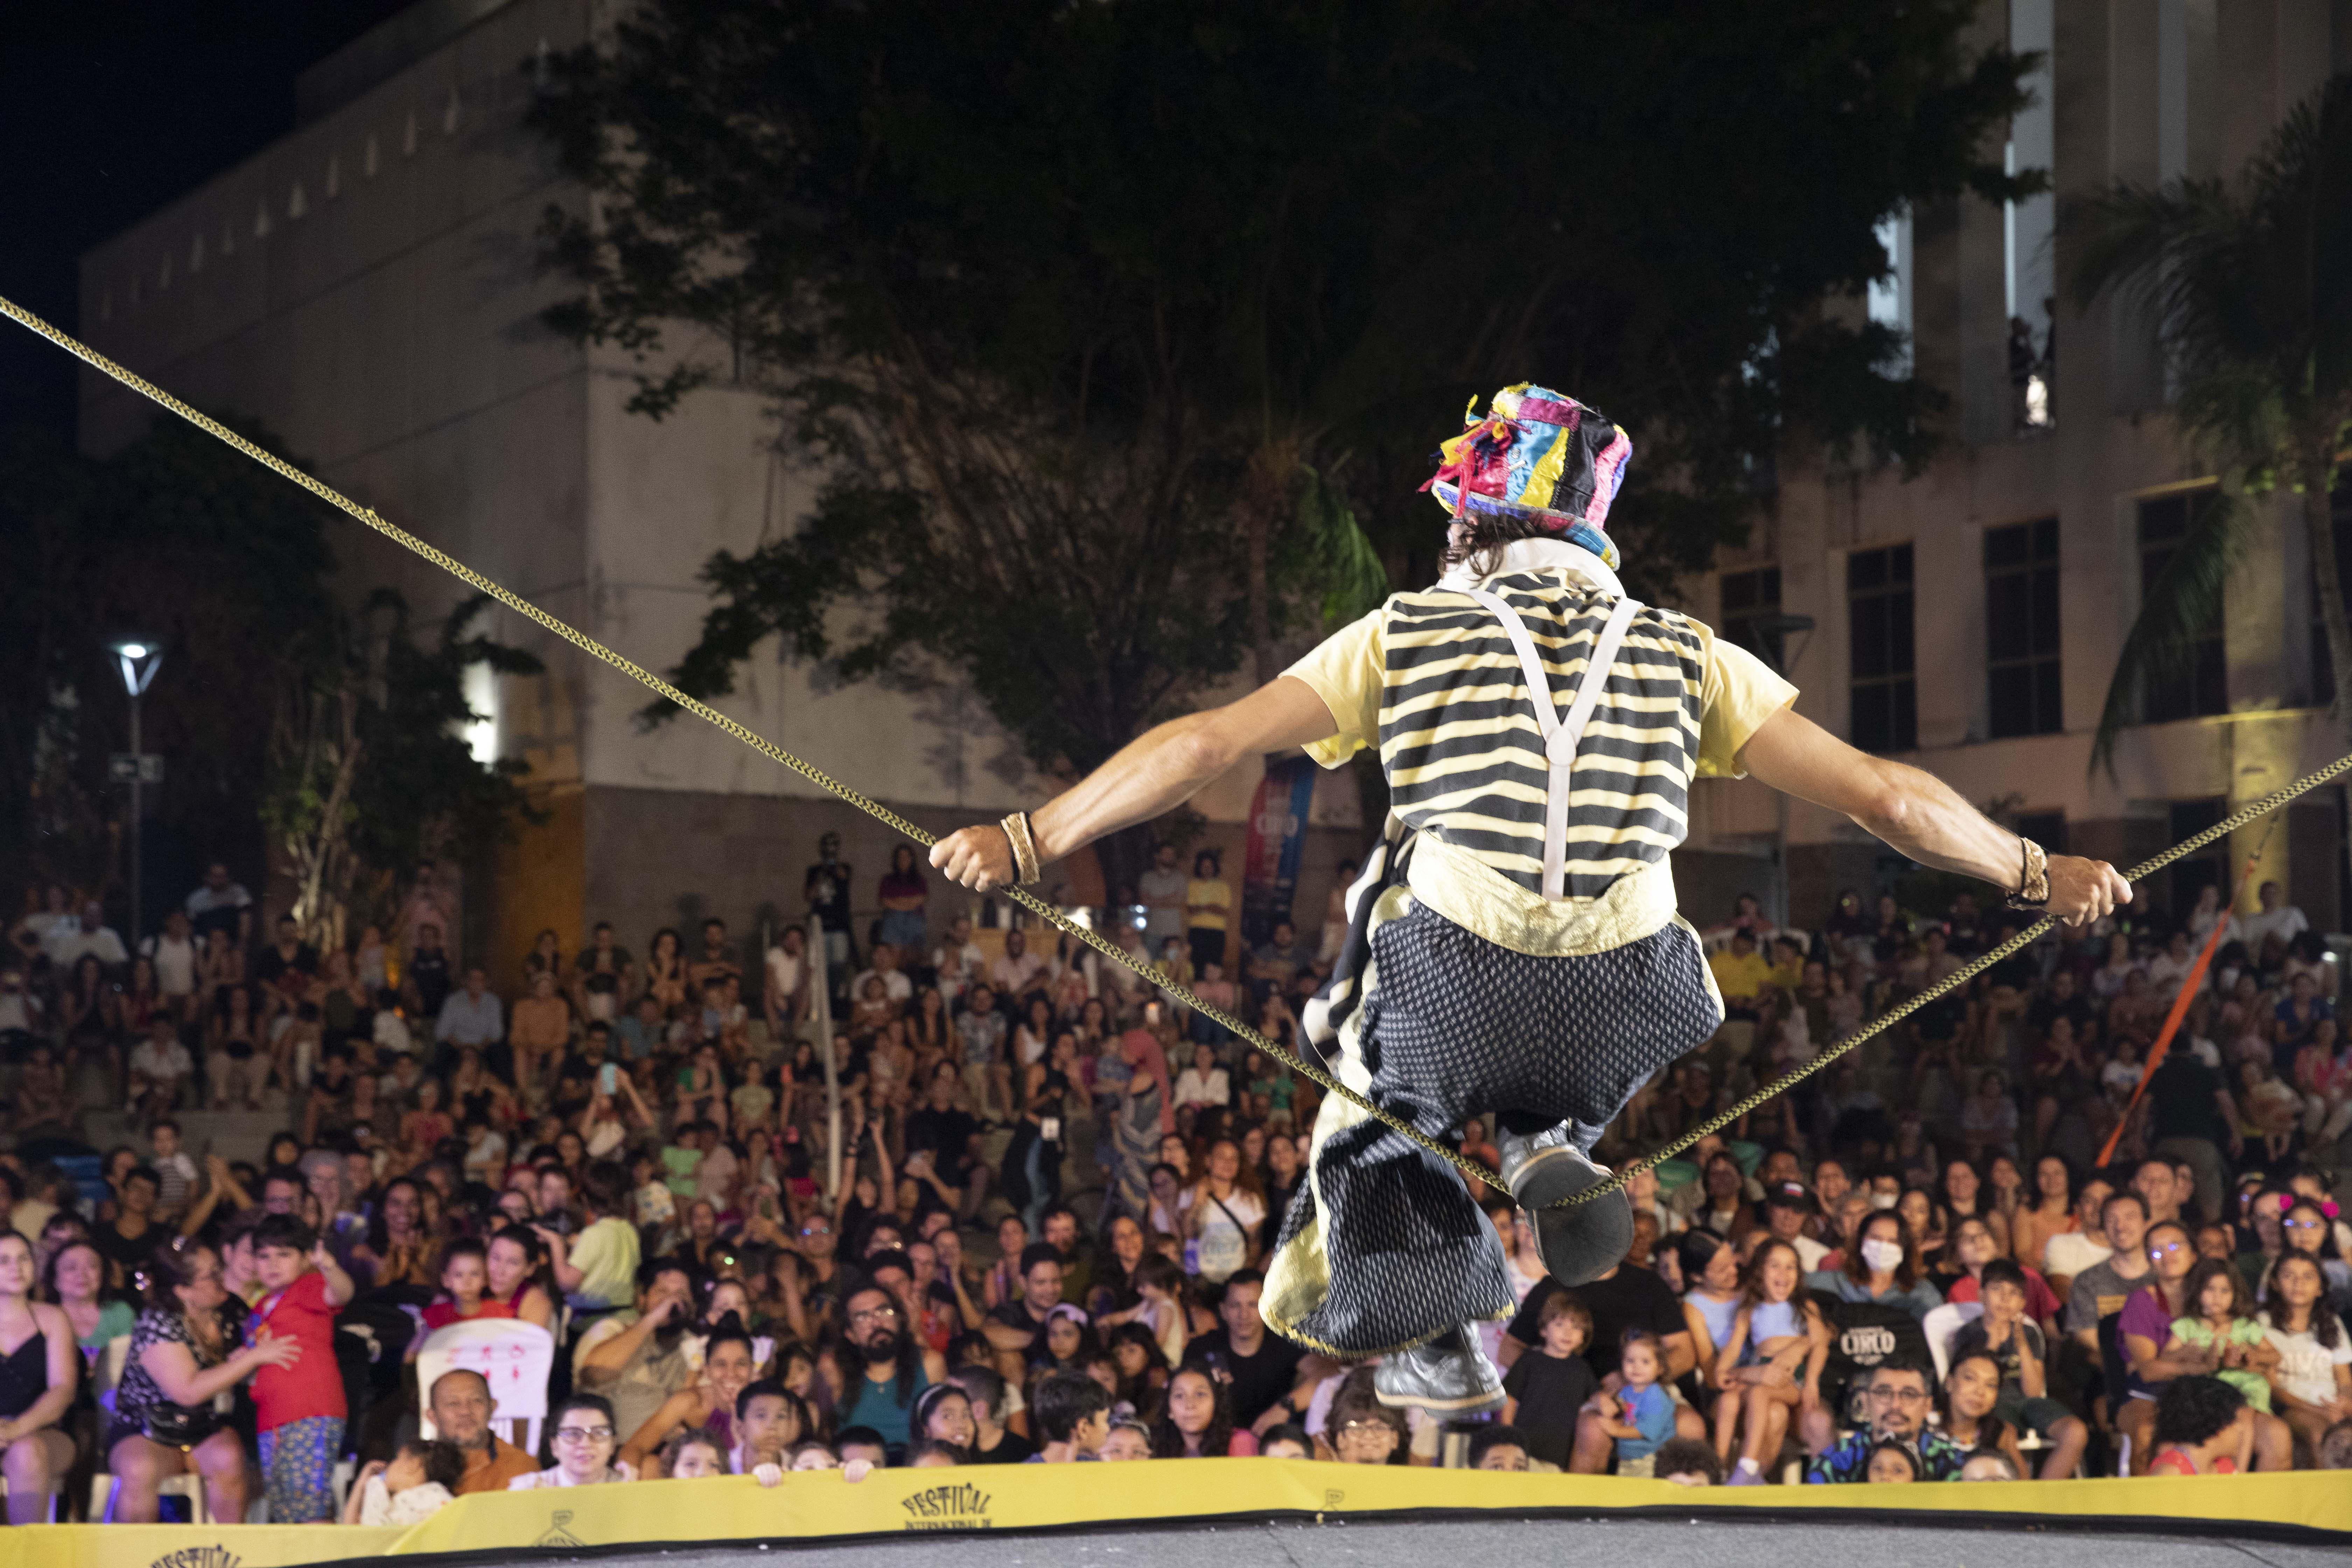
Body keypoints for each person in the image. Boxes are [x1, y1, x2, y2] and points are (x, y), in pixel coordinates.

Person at [926, 382, 2131, 1410]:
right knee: (1589, 1009)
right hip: (1638, 991)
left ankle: (1437, 1335)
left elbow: (1205, 744)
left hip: (1458, 977)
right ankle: (1555, 1136)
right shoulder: (1689, 650)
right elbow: (1883, 797)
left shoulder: (1408, 631)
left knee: (1373, 1090)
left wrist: (1033, 836)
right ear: (1593, 531)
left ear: (1471, 524)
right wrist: (2036, 870)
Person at [109, 1241, 302, 1522]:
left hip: (204, 1425)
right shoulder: (159, 1322)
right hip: (147, 1428)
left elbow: (247, 1360)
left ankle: (228, 1556)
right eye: (211, 1275)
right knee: (139, 1468)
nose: (221, 1278)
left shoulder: (231, 1311)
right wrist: (250, 1359)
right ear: (183, 1291)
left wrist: (251, 1355)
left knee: (230, 1455)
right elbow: (188, 1391)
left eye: (218, 1270)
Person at [246, 1214, 356, 1522]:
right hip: (274, 1419)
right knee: (286, 1511)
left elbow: (342, 1293)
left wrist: (329, 1266)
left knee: (308, 1507)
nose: (272, 1264)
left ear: (306, 1258)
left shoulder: (309, 1286)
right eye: (264, 1256)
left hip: (309, 1412)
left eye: (284, 1254)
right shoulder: (261, 1306)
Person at [0, 1233, 77, 1524]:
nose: (15, 1268)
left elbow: (63, 1390)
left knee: (28, 1452)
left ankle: (27, 1558)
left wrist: (16, 1428)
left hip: (43, 1432)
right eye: (3, 1261)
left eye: (23, 1259)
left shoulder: (53, 1318)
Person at [1803, 1354, 1964, 1483]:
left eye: (1909, 1395)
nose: (1895, 1405)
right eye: (1883, 1393)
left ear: (1927, 1406)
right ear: (1865, 1403)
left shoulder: (1953, 1462)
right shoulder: (1833, 1463)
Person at [1499, 1289, 1596, 1469]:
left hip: (1560, 1454)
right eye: (1560, 1325)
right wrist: (1508, 1434)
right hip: (1523, 1449)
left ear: (1584, 1336)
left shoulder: (1582, 1369)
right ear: (1544, 1330)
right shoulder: (1530, 1360)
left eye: (1576, 1327)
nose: (1568, 1333)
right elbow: (1509, 1398)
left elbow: (1596, 1399)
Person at [428, 1368, 542, 1494]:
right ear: (433, 1417)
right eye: (453, 1404)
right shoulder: (417, 1467)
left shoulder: (520, 1468)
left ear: (492, 1408)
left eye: (476, 1401)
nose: (465, 1411)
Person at [511, 1393, 636, 1488]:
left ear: (612, 1445)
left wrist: (629, 1495)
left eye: (599, 1433)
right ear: (554, 1446)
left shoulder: (627, 1487)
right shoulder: (529, 1488)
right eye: (573, 1434)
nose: (586, 1444)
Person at [2146, 1375, 2252, 1476]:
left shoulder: (2225, 1467)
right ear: (2217, 1425)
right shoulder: (2171, 1471)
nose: (2241, 1429)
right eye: (2236, 1422)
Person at [343, 1438, 463, 1525]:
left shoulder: (416, 1502)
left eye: (396, 1459)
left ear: (413, 1464)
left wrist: (371, 1486)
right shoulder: (443, 1501)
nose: (388, 1468)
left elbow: (353, 1536)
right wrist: (361, 1485)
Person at [1151, 1362, 1257, 1456]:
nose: (1190, 1405)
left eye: (1200, 1394)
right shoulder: (1157, 1450)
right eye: (1179, 1396)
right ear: (1169, 1410)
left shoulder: (1241, 1442)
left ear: (1216, 1403)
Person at [1029, 1370, 1113, 1462]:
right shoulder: (1096, 1471)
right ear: (1083, 1428)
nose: (1108, 1429)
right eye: (1105, 1420)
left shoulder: (1022, 1473)